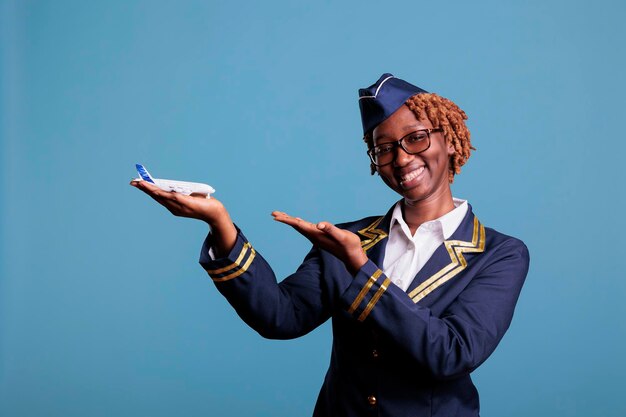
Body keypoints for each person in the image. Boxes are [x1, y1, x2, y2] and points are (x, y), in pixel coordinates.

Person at [130, 73, 530, 417]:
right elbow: (281, 318)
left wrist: (360, 268)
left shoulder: (500, 254)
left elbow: (452, 353)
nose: (402, 157)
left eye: (416, 138)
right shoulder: (346, 238)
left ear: (452, 141)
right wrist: (219, 223)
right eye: (384, 147)